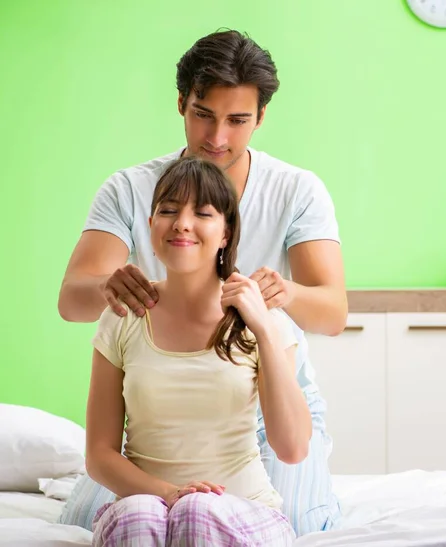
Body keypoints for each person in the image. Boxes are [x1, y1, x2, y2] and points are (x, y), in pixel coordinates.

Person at [59, 29, 347, 535]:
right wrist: (111, 286)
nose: (217, 138)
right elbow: (72, 299)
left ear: (260, 117)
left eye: (237, 120)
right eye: (203, 115)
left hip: (266, 399)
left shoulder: (297, 190)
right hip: (159, 410)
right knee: (92, 521)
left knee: (298, 523)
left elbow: (332, 313)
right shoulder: (129, 189)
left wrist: (280, 298)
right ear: (181, 104)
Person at [88, 156, 308, 546]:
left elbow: (292, 448)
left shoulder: (264, 321)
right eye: (167, 210)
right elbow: (100, 455)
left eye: (202, 213)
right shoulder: (123, 317)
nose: (182, 223)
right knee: (140, 511)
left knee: (198, 510)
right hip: (148, 509)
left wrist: (263, 329)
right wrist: (168, 493)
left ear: (226, 233)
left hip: (246, 509)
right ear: (151, 225)